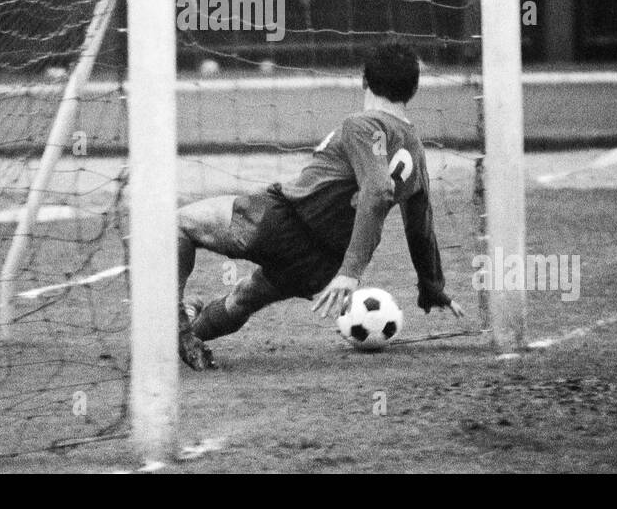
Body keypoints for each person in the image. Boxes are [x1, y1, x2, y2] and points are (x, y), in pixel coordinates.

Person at [174, 41, 465, 370]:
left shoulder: (364, 124)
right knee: (242, 298)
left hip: (281, 222)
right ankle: (188, 332)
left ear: (364, 80)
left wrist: (351, 273)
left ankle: (180, 330)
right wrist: (431, 285)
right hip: (322, 264)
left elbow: (378, 190)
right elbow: (420, 226)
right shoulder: (416, 151)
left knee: (178, 224)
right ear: (414, 89)